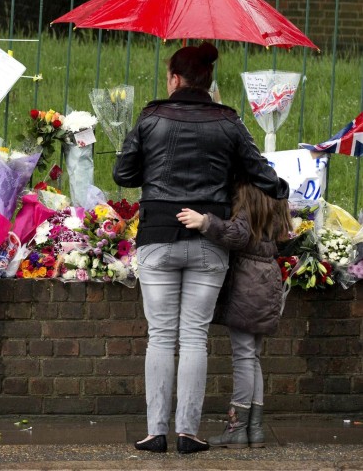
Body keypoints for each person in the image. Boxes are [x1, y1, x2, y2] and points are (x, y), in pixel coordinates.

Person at [113, 42, 288, 455]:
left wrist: (151, 166)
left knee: (160, 336)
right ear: (208, 81)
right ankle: (188, 433)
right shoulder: (229, 121)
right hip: (210, 241)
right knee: (193, 337)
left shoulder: (151, 117)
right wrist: (277, 188)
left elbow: (123, 173)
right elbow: (263, 175)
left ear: (174, 79)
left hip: (158, 234)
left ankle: (156, 432)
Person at [176, 181, 292, 449]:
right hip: (268, 277)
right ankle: (255, 430)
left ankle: (237, 427)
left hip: (247, 281)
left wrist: (206, 222)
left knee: (243, 356)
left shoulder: (247, 206)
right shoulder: (275, 205)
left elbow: (236, 235)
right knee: (252, 357)